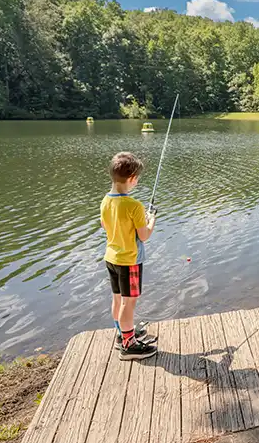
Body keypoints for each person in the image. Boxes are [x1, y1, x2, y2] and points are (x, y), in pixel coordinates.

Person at [100, 152, 158, 360]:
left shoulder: (106, 200)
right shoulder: (134, 205)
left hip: (111, 258)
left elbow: (105, 226)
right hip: (130, 261)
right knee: (129, 302)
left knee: (117, 299)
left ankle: (122, 333)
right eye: (137, 178)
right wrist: (151, 219)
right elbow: (144, 235)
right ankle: (129, 345)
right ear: (132, 178)